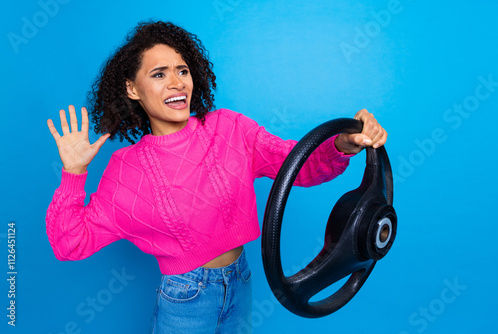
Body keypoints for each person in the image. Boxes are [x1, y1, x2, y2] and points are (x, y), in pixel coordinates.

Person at [46, 21, 387, 334]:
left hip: (242, 279)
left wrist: (343, 143)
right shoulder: (127, 169)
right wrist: (73, 174)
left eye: (182, 70)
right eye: (159, 74)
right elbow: (72, 244)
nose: (177, 82)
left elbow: (299, 165)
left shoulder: (230, 128)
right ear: (132, 89)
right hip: (185, 299)